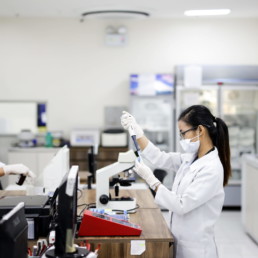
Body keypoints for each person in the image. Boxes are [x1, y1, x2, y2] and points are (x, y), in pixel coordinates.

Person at [121, 105, 231, 258]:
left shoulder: (211, 169)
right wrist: (137, 131)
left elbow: (181, 205)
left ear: (200, 130)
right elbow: (159, 157)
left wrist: (152, 181)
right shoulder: (190, 158)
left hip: (197, 250)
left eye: (183, 133)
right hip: (181, 241)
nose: (182, 139)